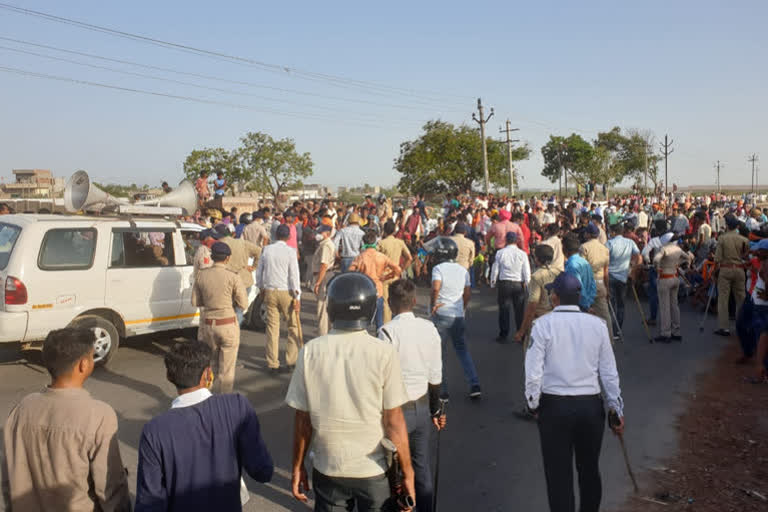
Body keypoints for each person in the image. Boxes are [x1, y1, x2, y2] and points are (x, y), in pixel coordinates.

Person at [285, 273, 415, 512]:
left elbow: (302, 421)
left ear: (332, 309)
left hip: (328, 469)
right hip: (373, 470)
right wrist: (407, 473)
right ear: (370, 309)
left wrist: (297, 466)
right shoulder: (383, 353)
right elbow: (394, 421)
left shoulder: (310, 352)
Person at [525, 272, 624, 512]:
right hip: (590, 407)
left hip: (554, 406)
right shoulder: (598, 326)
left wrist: (533, 403)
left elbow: (533, 372)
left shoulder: (542, 325)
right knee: (589, 469)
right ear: (578, 297)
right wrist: (616, 408)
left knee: (558, 474)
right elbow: (609, 372)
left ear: (555, 297)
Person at [2, 328, 132, 512]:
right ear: (84, 364)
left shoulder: (21, 408)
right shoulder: (99, 415)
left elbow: (9, 477)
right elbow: (110, 488)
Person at [135, 341, 273, 511]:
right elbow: (263, 471)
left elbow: (149, 502)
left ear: (169, 377)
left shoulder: (154, 431)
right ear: (208, 374)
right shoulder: (237, 406)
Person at [378, 279, 446, 512]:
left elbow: (382, 376)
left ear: (389, 303)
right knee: (421, 466)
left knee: (393, 470)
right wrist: (435, 409)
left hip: (397, 411)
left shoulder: (386, 331)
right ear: (415, 301)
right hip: (422, 405)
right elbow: (435, 375)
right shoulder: (429, 328)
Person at [192, 242, 248, 392]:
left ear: (212, 257)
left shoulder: (201, 275)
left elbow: (195, 301)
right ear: (227, 258)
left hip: (208, 325)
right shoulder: (233, 276)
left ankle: (206, 397)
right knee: (226, 372)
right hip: (228, 324)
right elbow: (243, 303)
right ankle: (223, 404)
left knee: (210, 366)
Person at [430, 237, 482, 399]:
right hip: (458, 315)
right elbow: (467, 294)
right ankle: (474, 384)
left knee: (439, 353)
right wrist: (463, 308)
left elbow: (435, 289)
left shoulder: (438, 269)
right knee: (462, 350)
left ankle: (443, 390)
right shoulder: (463, 270)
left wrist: (434, 304)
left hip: (441, 314)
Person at [255, 224, 302, 374]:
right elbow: (294, 274)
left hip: (270, 290)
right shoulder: (290, 251)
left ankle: (272, 363)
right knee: (292, 326)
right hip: (286, 291)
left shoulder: (267, 250)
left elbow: (259, 271)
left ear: (275, 236)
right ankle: (291, 361)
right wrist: (298, 296)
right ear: (288, 237)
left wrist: (261, 287)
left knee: (272, 329)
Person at [349, 231, 402, 330]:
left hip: (364, 291)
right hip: (378, 290)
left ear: (364, 243)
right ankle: (379, 341)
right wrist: (386, 277)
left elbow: (350, 272)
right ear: (375, 242)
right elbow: (398, 269)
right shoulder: (382, 256)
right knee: (379, 322)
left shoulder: (360, 257)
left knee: (363, 321)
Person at [515, 244, 560, 345]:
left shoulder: (536, 277)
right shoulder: (559, 272)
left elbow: (532, 305)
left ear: (538, 259)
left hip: (541, 320)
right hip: (557, 319)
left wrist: (522, 330)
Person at [491, 232, 531, 343]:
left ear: (506, 240)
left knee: (504, 309)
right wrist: (527, 285)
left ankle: (503, 335)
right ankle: (521, 334)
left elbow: (495, 269)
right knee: (519, 311)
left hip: (504, 283)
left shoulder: (500, 253)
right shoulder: (522, 254)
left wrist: (493, 282)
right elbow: (526, 271)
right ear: (516, 241)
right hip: (518, 283)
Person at [714, 214, 750, 336]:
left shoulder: (722, 238)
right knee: (741, 298)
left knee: (723, 299)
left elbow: (717, 258)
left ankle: (724, 328)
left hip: (725, 269)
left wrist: (715, 271)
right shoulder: (744, 240)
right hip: (739, 269)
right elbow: (747, 255)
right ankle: (742, 326)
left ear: (727, 226)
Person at [605, 223, 641, 339]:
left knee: (611, 304)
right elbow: (638, 256)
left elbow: (604, 259)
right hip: (624, 276)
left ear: (614, 232)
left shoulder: (609, 243)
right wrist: (632, 267)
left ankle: (610, 330)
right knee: (621, 304)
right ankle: (618, 330)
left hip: (610, 275)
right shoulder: (630, 243)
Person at [653, 232, 690, 342]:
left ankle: (666, 333)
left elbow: (655, 260)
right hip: (675, 278)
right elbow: (687, 257)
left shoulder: (664, 249)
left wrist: (658, 268)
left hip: (664, 278)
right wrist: (678, 263)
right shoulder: (678, 249)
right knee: (674, 305)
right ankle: (676, 331)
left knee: (665, 307)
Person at [580, 223, 612, 338]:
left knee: (585, 312)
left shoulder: (584, 247)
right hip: (600, 283)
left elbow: (582, 268)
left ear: (588, 234)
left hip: (588, 283)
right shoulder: (605, 249)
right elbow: (606, 271)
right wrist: (607, 288)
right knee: (604, 313)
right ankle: (609, 338)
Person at [378, 220, 413, 323]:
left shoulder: (381, 243)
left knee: (386, 305)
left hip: (384, 276)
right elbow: (409, 258)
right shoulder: (400, 242)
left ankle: (386, 328)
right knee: (397, 301)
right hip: (396, 275)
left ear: (384, 231)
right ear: (394, 231)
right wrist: (402, 269)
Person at [312, 224, 336, 336]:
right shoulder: (325, 244)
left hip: (324, 276)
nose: (318, 235)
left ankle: (322, 335)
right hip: (325, 275)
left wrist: (318, 282)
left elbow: (324, 265)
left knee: (322, 309)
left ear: (327, 233)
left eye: (320, 232)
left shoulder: (326, 245)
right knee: (325, 308)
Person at [563, 234, 597, 312]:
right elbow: (593, 284)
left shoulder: (572, 266)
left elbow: (578, 288)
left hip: (579, 306)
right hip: (586, 303)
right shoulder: (584, 262)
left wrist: (586, 305)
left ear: (565, 250)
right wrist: (590, 301)